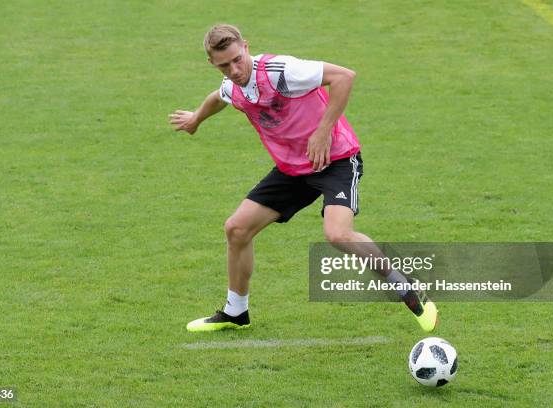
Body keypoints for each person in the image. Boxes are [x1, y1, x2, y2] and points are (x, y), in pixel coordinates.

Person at [169, 24, 438, 333]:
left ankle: (407, 287)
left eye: (237, 59)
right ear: (212, 64)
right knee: (237, 229)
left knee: (337, 235)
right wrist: (195, 119)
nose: (234, 69)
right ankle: (236, 313)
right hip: (293, 170)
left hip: (335, 159)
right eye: (224, 66)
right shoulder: (233, 85)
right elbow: (219, 96)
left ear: (246, 46)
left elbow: (344, 77)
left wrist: (324, 131)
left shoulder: (281, 71)